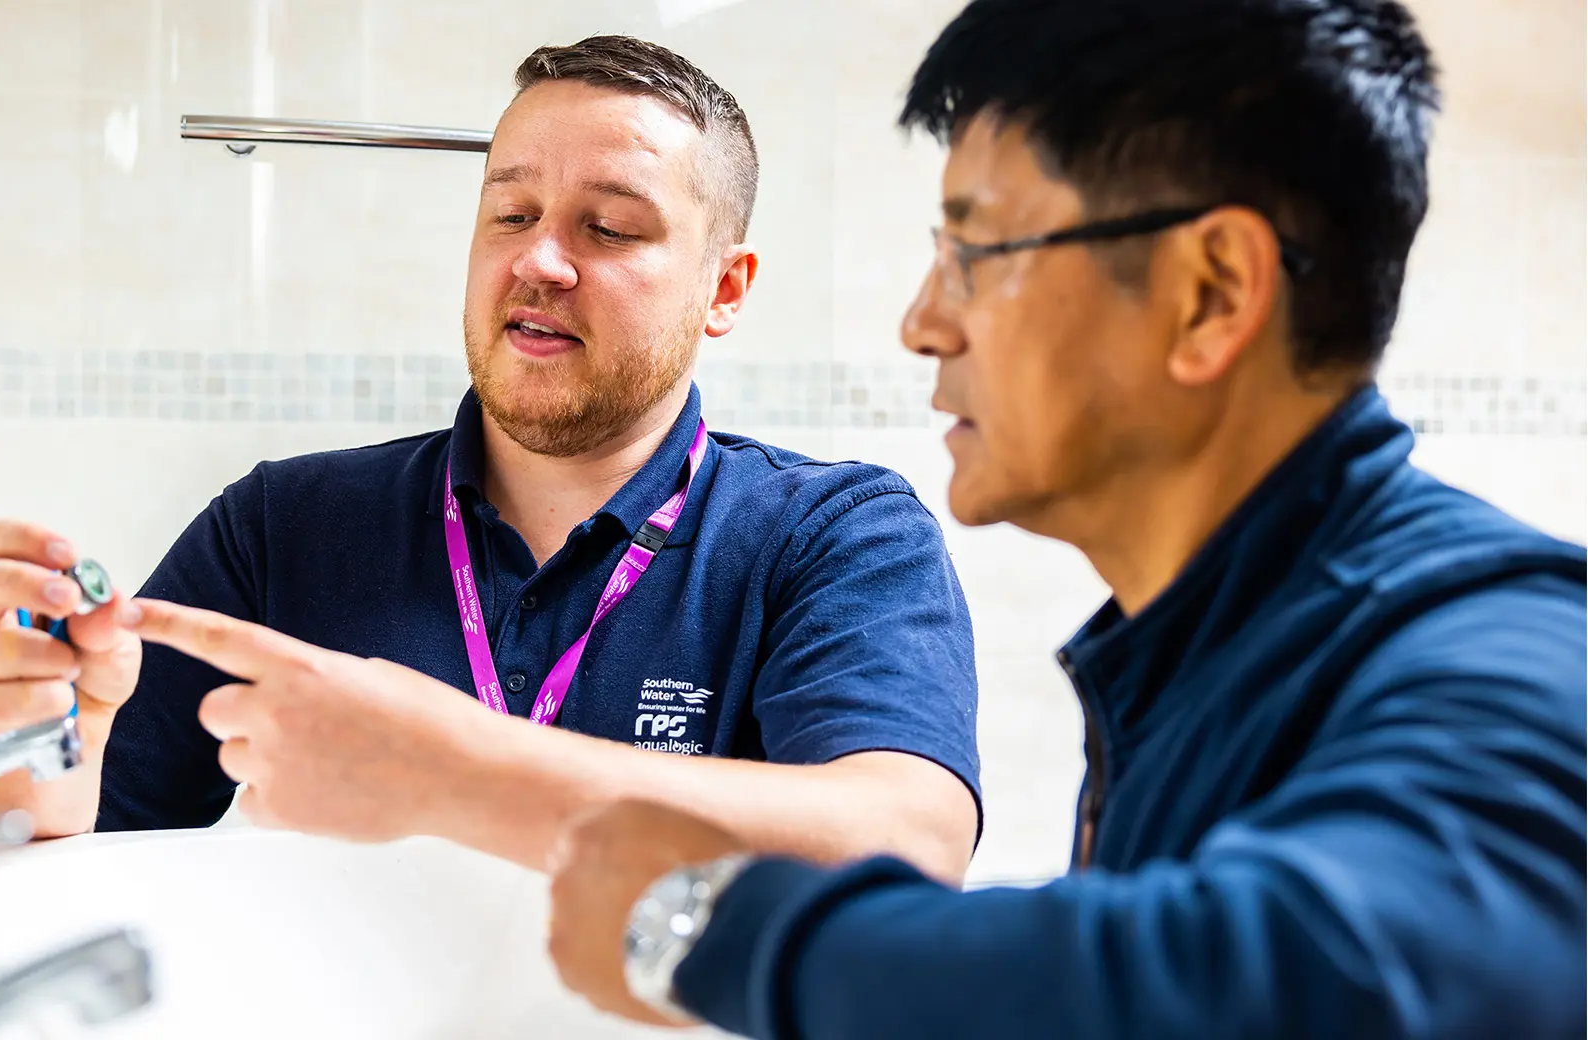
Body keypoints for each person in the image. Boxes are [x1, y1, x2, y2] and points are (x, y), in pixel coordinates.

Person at [541, 1, 1588, 1037]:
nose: (922, 323)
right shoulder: (1200, 657)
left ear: (1212, 294)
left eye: (975, 253)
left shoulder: (1511, 649)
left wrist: (712, 928)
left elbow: (1310, 975)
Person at [0, 35, 981, 880]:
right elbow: (58, 868)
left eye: (610, 227)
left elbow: (910, 840)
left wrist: (456, 770)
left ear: (724, 288)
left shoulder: (831, 535)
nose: (538, 259)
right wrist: (47, 744)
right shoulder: (283, 526)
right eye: (511, 213)